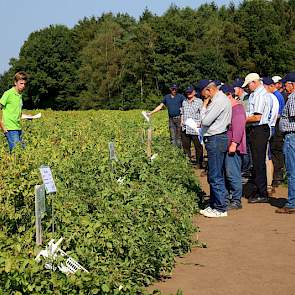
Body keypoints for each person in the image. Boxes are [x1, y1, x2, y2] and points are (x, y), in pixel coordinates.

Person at [198, 80, 232, 218]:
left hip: (216, 139)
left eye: (204, 94)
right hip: (217, 138)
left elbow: (205, 121)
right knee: (216, 173)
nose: (204, 97)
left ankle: (220, 207)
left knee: (215, 175)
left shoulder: (218, 101)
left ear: (209, 90)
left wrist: (204, 108)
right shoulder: (220, 99)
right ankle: (214, 204)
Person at [242, 73, 271, 204]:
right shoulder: (258, 94)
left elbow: (257, 117)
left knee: (259, 162)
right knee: (257, 161)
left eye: (248, 85)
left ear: (254, 82)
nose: (248, 88)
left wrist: (241, 119)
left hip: (259, 129)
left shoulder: (259, 95)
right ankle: (260, 189)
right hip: (257, 129)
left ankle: (262, 192)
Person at [220, 85, 247, 210]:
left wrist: (234, 143)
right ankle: (230, 197)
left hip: (234, 147)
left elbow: (239, 128)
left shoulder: (237, 109)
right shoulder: (229, 109)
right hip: (227, 145)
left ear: (228, 95)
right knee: (227, 173)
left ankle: (236, 200)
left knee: (233, 174)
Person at [276, 72, 295, 214]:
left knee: (292, 171)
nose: (284, 86)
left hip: (292, 137)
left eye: (286, 83)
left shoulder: (293, 98)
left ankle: (292, 203)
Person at [0, 71, 30, 152]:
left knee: (23, 150)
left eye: (24, 84)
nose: (23, 86)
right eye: (21, 83)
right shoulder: (8, 93)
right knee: (17, 152)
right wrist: (2, 125)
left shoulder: (19, 95)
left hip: (18, 127)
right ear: (15, 82)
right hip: (10, 128)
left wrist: (28, 116)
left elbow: (17, 114)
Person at [148, 83, 185, 148]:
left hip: (179, 119)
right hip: (171, 119)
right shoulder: (166, 97)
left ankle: (180, 153)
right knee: (172, 137)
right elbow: (160, 106)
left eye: (175, 89)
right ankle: (174, 152)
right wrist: (151, 113)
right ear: (170, 89)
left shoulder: (181, 97)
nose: (174, 90)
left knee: (179, 138)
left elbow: (186, 106)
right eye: (173, 89)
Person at [262, 77, 280, 196]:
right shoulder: (273, 97)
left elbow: (267, 116)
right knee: (267, 156)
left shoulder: (269, 97)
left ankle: (268, 186)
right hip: (271, 127)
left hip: (267, 127)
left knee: (266, 157)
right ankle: (268, 184)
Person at [180, 86, 203, 167]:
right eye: (187, 92)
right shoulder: (184, 102)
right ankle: (188, 162)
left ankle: (199, 163)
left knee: (198, 147)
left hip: (195, 128)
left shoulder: (199, 101)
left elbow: (202, 113)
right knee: (186, 146)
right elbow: (182, 112)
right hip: (185, 128)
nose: (189, 93)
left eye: (190, 92)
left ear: (194, 92)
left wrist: (200, 123)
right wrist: (182, 121)